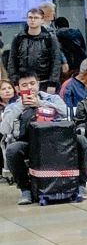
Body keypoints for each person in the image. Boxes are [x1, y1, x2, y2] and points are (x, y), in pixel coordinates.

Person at [2, 75, 73, 204]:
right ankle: (25, 189)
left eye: (32, 83)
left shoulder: (53, 98)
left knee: (81, 142)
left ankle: (79, 185)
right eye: (24, 85)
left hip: (56, 140)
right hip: (28, 142)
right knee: (12, 150)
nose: (30, 87)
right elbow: (4, 130)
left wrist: (40, 103)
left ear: (38, 84)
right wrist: (21, 107)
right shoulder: (13, 106)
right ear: (17, 88)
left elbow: (66, 113)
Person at [8, 8, 61, 85]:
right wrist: (15, 82)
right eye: (30, 17)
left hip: (44, 82)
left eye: (36, 18)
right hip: (23, 82)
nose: (32, 20)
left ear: (42, 20)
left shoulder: (49, 38)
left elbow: (56, 61)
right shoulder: (18, 38)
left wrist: (52, 83)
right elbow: (12, 61)